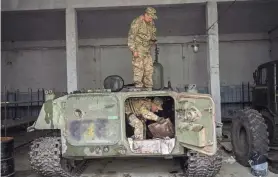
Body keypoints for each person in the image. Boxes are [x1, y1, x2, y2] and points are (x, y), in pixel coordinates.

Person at [127, 7, 158, 90]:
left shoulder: (151, 22)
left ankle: (148, 88)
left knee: (149, 69)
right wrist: (134, 50)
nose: (151, 19)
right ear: (146, 14)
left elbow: (152, 33)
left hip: (147, 49)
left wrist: (153, 40)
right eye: (150, 17)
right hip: (139, 49)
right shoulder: (137, 22)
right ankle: (138, 87)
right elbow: (131, 37)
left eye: (152, 18)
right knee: (139, 69)